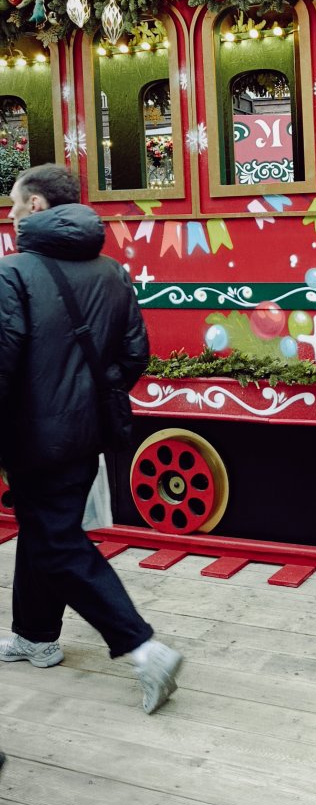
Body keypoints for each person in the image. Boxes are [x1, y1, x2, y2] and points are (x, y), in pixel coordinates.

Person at [0, 163, 183, 711]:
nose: (9, 212)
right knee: (45, 531)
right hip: (90, 432)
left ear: (36, 207)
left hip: (34, 438)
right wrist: (85, 396)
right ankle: (35, 636)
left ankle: (144, 647)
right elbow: (134, 355)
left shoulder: (13, 273)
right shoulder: (112, 271)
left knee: (57, 541)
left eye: (14, 202)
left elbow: (3, 365)